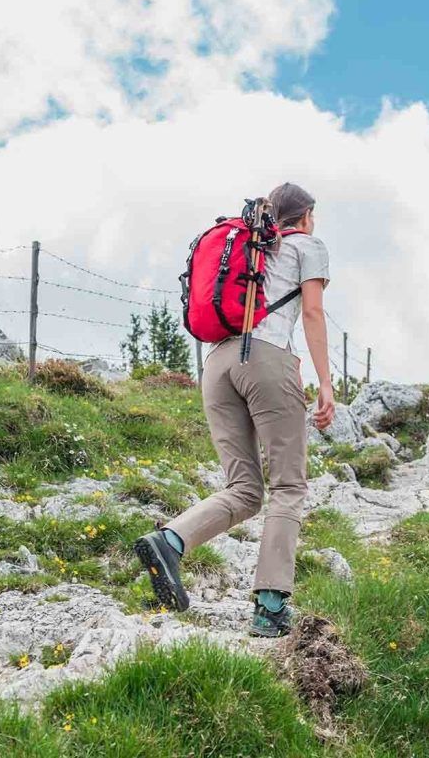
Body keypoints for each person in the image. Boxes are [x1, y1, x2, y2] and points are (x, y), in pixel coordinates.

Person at [135, 182, 336, 637]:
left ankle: (169, 541)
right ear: (305, 217)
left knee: (244, 488)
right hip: (266, 359)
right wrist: (324, 382)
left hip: (218, 364)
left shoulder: (251, 245)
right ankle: (270, 608)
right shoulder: (309, 246)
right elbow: (312, 313)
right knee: (288, 486)